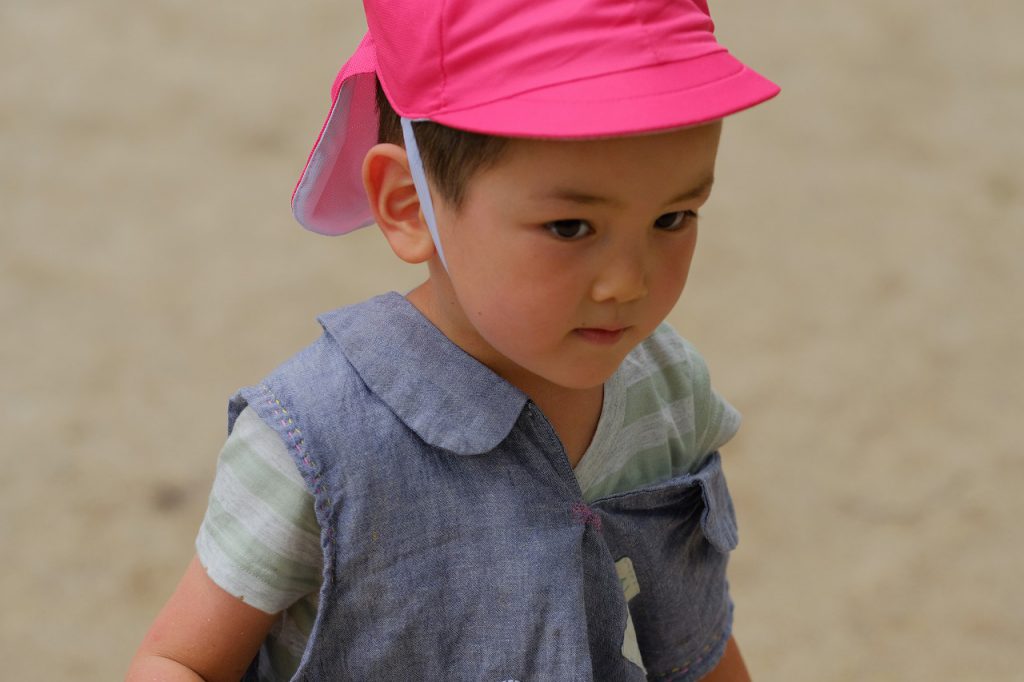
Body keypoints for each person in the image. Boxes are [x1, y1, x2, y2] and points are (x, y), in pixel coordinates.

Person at [128, 0, 779, 679]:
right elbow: (180, 660)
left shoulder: (666, 389)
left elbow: (693, 646)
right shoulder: (317, 443)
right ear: (410, 204)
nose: (627, 283)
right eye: (570, 228)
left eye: (674, 218)